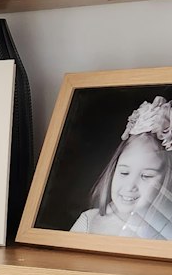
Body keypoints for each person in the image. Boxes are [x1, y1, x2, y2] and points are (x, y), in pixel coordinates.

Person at [71, 97, 172, 239]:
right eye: (124, 172)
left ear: (167, 181)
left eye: (146, 176)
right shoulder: (90, 221)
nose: (130, 186)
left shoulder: (167, 232)